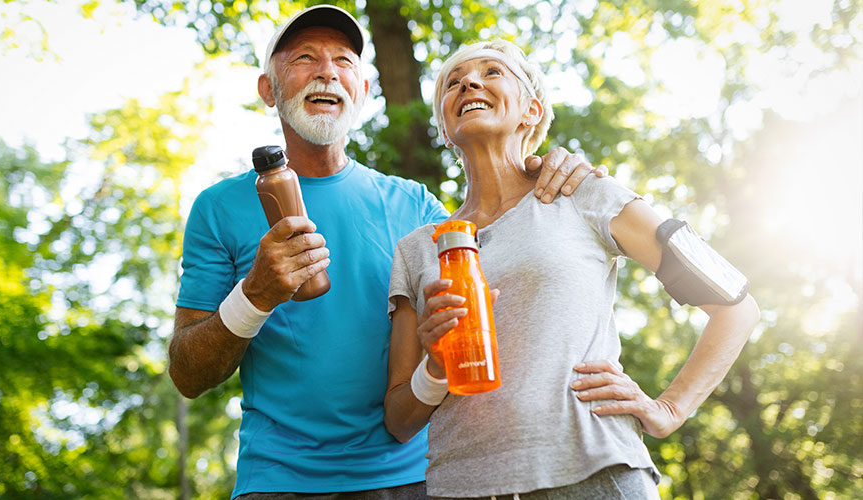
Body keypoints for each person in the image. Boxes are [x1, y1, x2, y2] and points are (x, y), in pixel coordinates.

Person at [167, 6, 605, 498]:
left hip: (413, 476)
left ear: (363, 90)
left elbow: (504, 276)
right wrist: (254, 296)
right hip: (277, 480)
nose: (327, 70)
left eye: (344, 61)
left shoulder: (417, 206)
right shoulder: (218, 208)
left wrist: (543, 165)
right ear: (268, 89)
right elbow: (187, 372)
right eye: (305, 57)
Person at [383, 39, 760, 499]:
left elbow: (736, 306)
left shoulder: (585, 194)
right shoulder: (417, 250)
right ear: (444, 128)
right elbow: (400, 420)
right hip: (463, 487)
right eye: (453, 83)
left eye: (492, 72)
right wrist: (437, 366)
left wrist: (669, 408)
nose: (469, 83)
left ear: (532, 111)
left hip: (595, 474)